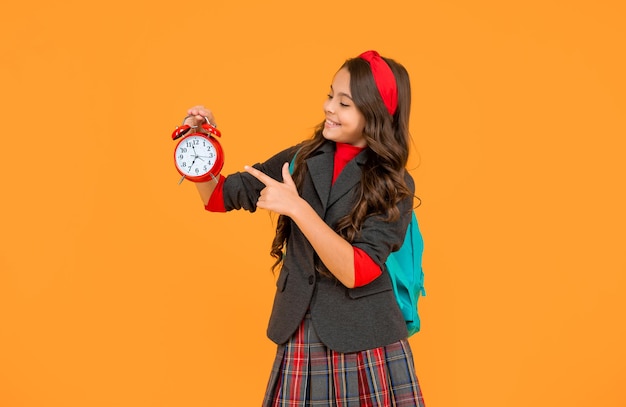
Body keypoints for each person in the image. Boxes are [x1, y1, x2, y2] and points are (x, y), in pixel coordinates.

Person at [180, 50, 425, 406]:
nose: (329, 108)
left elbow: (358, 270)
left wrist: (297, 208)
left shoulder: (394, 183)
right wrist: (200, 146)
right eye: (330, 96)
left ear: (374, 114)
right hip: (300, 332)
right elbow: (217, 197)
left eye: (345, 104)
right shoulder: (303, 158)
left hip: (367, 340)